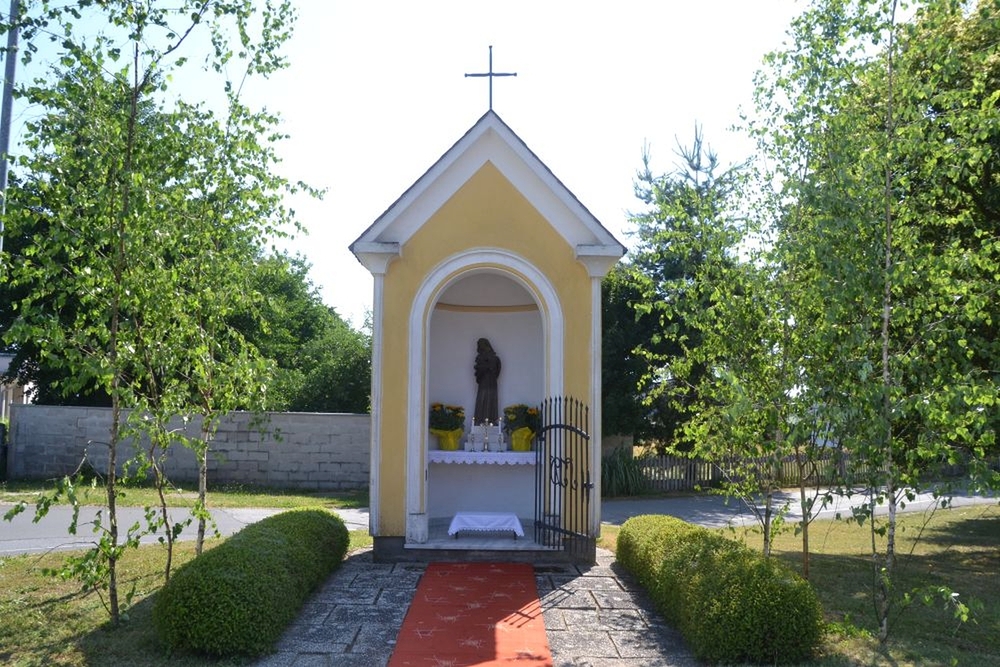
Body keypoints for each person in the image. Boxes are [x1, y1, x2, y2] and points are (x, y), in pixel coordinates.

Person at [473, 338, 501, 424]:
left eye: (480, 344)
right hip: (484, 381)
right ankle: (480, 420)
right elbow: (478, 371)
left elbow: (497, 371)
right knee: (482, 399)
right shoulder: (480, 357)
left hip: (490, 382)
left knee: (490, 399)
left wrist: (488, 369)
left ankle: (490, 420)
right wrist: (486, 368)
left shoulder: (495, 358)